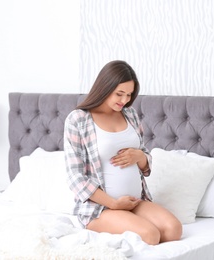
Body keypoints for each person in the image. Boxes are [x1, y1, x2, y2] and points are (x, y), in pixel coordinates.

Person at [64, 60, 182, 245]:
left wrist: (140, 157)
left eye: (129, 94)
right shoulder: (78, 119)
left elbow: (144, 158)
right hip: (101, 208)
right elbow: (75, 177)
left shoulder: (130, 114)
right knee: (150, 235)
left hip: (135, 201)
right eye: (119, 94)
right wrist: (113, 204)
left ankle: (128, 223)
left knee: (174, 230)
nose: (125, 100)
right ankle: (102, 226)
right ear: (104, 87)